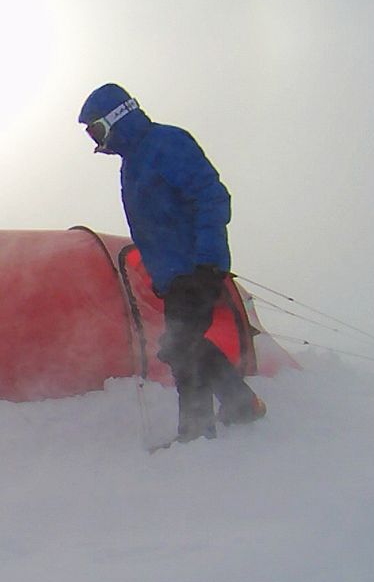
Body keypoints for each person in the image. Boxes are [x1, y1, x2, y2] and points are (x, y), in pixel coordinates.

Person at [78, 83, 265, 443]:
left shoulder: (166, 144)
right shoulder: (132, 166)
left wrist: (208, 263)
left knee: (180, 346)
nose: (95, 140)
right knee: (183, 345)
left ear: (118, 118)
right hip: (175, 276)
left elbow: (210, 196)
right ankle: (240, 405)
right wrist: (160, 278)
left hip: (197, 267)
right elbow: (154, 229)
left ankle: (197, 432)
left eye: (96, 130)